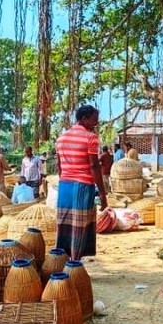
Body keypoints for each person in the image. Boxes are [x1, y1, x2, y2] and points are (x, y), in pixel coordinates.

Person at [56, 105, 108, 260]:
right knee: (80, 226)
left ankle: (62, 260)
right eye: (94, 120)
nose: (96, 124)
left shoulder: (61, 138)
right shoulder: (90, 137)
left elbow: (59, 166)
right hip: (83, 186)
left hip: (65, 186)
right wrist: (103, 194)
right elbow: (94, 166)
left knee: (65, 224)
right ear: (84, 119)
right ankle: (75, 263)